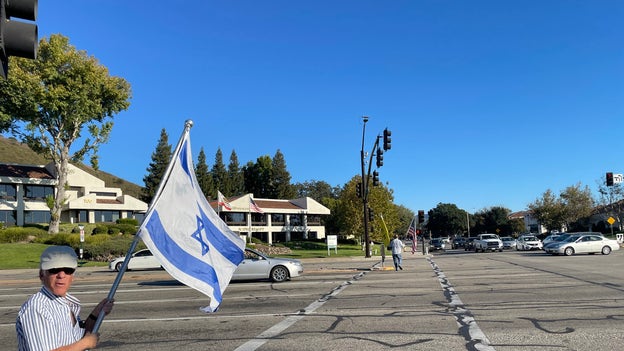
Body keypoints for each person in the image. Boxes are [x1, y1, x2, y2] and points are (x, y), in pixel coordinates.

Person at [16, 245, 114, 351]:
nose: (61, 275)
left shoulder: (66, 303)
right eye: (54, 269)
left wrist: (95, 315)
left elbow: (75, 337)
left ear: (73, 275)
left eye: (68, 270)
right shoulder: (37, 308)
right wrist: (85, 343)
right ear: (41, 275)